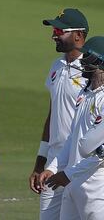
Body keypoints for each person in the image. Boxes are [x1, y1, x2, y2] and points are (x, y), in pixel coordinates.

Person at [28, 8, 88, 220]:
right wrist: (40, 163)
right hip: (53, 161)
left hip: (80, 162)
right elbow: (52, 115)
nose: (54, 34)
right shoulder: (57, 66)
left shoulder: (93, 70)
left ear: (78, 35)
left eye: (59, 30)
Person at [39, 36, 104, 220]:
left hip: (97, 189)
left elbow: (101, 153)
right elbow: (72, 139)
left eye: (88, 59)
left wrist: (68, 174)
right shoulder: (85, 94)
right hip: (73, 185)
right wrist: (52, 168)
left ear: (100, 62)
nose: (82, 63)